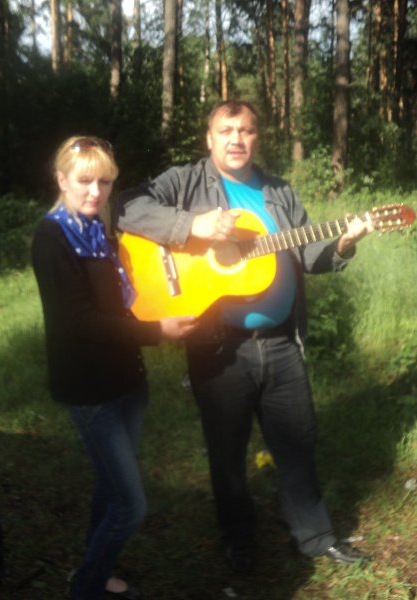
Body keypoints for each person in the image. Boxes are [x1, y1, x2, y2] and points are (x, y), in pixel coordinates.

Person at [115, 100, 374, 573]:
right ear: (210, 138)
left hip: (281, 341)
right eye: (227, 130)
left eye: (247, 130)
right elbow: (126, 207)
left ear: (257, 137)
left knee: (298, 440)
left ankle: (314, 536)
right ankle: (239, 541)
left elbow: (307, 254)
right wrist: (191, 225)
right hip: (219, 348)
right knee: (227, 450)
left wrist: (343, 242)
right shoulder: (185, 181)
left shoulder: (279, 192)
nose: (237, 139)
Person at [31, 136, 197, 600]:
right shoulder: (52, 237)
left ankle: (98, 570)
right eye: (85, 180)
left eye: (104, 182)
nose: (95, 191)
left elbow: (125, 301)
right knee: (130, 505)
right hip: (90, 392)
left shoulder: (100, 232)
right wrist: (156, 331)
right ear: (62, 180)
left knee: (110, 489)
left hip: (128, 383)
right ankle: (87, 587)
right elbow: (79, 322)